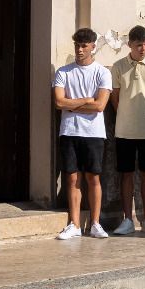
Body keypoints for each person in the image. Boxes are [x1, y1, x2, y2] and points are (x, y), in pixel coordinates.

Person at [52, 28, 112, 240]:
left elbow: (100, 106)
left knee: (93, 178)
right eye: (77, 45)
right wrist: (86, 100)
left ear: (93, 46)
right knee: (72, 178)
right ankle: (75, 224)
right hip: (69, 131)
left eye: (84, 45)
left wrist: (73, 104)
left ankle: (95, 223)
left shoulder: (102, 72)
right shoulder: (63, 72)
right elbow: (59, 102)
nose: (79, 49)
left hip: (94, 133)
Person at [109, 25, 145, 236]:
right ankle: (127, 219)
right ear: (130, 45)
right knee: (126, 175)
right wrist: (125, 114)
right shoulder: (118, 66)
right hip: (124, 130)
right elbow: (114, 97)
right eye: (138, 45)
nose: (142, 48)